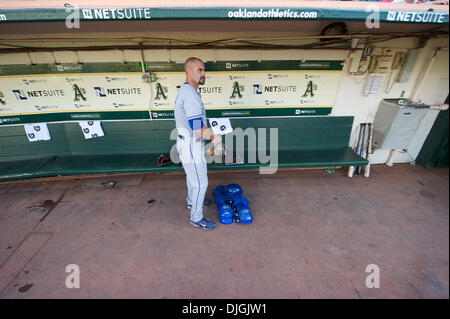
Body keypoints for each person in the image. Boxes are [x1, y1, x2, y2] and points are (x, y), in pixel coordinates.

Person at [174, 57, 222, 230]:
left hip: (187, 143)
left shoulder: (189, 91)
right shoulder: (190, 94)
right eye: (199, 70)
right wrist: (213, 137)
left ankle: (191, 201)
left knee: (192, 177)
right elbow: (196, 128)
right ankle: (196, 217)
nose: (204, 73)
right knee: (201, 182)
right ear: (189, 71)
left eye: (204, 70)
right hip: (190, 143)